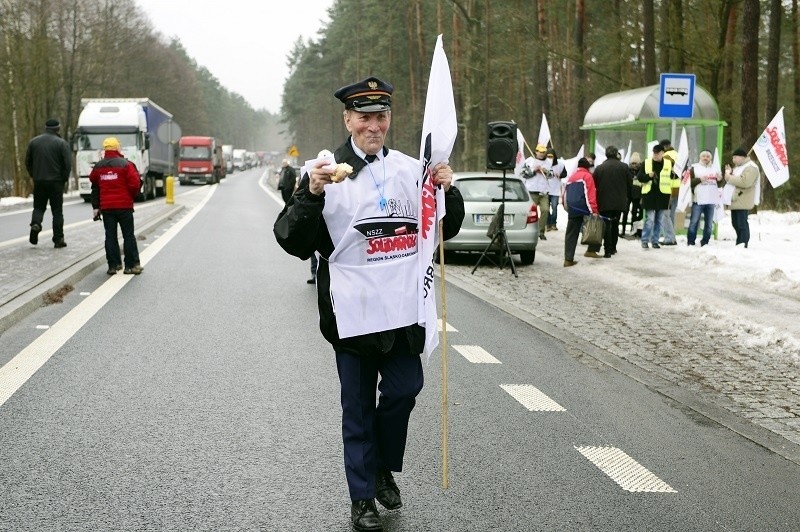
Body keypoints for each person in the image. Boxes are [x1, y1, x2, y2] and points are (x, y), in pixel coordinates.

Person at [273, 76, 465, 532]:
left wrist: (446, 187)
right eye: (364, 117)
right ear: (348, 120)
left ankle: (380, 465)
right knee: (357, 410)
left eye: (381, 117)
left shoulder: (407, 168)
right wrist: (310, 194)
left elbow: (445, 228)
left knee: (404, 389)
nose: (373, 126)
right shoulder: (323, 172)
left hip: (400, 313)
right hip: (351, 315)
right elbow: (292, 240)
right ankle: (362, 499)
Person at [89, 137, 143, 275]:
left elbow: (95, 185)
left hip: (107, 208)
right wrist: (132, 196)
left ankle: (113, 265)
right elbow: (135, 183)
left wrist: (96, 206)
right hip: (124, 206)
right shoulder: (126, 164)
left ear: (105, 150)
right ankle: (130, 266)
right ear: (118, 148)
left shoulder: (98, 167)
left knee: (110, 236)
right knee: (128, 236)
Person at [26, 118, 72, 248]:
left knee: (39, 207)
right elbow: (67, 164)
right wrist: (63, 178)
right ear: (58, 129)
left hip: (39, 180)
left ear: (46, 128)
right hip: (56, 182)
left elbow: (28, 161)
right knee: (57, 211)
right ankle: (58, 239)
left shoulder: (33, 142)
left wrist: (34, 175)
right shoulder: (62, 143)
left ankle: (36, 223)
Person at [589, 145, 629, 258]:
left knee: (606, 225)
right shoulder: (624, 167)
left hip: (604, 201)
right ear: (616, 154)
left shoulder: (600, 168)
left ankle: (607, 250)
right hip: (619, 202)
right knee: (615, 224)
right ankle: (613, 248)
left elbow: (594, 184)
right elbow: (629, 185)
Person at [562, 157, 598, 267]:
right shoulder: (587, 176)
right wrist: (594, 210)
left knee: (571, 234)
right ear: (587, 167)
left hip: (572, 209)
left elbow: (565, 195)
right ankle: (591, 250)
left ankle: (568, 259)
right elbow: (590, 194)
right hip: (584, 208)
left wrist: (567, 208)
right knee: (594, 228)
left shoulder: (571, 177)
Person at [637, 144, 672, 249]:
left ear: (662, 153)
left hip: (663, 195)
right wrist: (648, 176)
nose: (655, 155)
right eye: (654, 153)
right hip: (649, 194)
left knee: (659, 220)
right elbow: (640, 177)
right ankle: (644, 240)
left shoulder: (668, 163)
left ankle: (655, 241)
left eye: (657, 153)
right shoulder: (646, 162)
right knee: (650, 219)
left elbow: (671, 178)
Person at [724, 147, 759, 248]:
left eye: (735, 157)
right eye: (733, 158)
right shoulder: (739, 167)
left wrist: (729, 177)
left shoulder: (751, 167)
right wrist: (730, 173)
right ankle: (740, 242)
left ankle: (743, 243)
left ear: (742, 157)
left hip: (743, 199)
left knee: (741, 223)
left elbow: (745, 182)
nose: (733, 160)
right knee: (735, 223)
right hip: (736, 200)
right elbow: (736, 178)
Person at [686, 150, 721, 246]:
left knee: (709, 224)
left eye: (708, 156)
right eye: (703, 156)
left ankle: (705, 242)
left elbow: (719, 185)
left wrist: (720, 179)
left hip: (711, 200)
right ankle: (690, 242)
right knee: (694, 222)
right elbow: (688, 183)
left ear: (711, 158)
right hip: (698, 200)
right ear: (700, 157)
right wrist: (699, 180)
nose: (705, 158)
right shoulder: (694, 168)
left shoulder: (715, 169)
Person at [521, 144, 551, 240]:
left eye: (543, 152)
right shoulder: (529, 161)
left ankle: (541, 231)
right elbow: (523, 174)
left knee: (545, 210)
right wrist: (534, 170)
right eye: (540, 152)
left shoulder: (549, 162)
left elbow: (552, 175)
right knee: (531, 212)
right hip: (532, 190)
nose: (542, 154)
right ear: (536, 151)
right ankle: (528, 230)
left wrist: (546, 172)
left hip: (544, 191)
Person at [659, 139, 680, 245]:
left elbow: (664, 173)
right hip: (678, 188)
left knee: (664, 214)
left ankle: (669, 238)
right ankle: (671, 236)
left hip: (668, 188)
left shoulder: (666, 157)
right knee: (670, 215)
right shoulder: (678, 154)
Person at [620, 152, 642, 237]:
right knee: (625, 212)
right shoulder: (628, 170)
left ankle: (634, 230)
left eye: (636, 163)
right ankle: (623, 230)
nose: (634, 165)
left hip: (636, 195)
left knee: (634, 213)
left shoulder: (640, 171)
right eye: (632, 163)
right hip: (628, 194)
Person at [545, 148, 565, 231]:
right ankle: (548, 223)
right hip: (545, 189)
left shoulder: (560, 164)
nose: (550, 158)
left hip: (555, 190)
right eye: (548, 156)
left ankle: (553, 223)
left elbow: (565, 173)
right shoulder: (544, 164)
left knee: (554, 207)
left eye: (551, 156)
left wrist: (560, 175)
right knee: (546, 208)